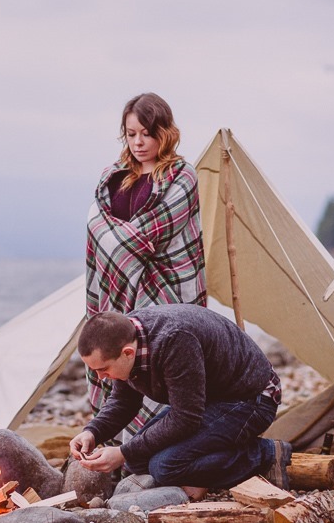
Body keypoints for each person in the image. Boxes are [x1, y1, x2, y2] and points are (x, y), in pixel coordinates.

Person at [85, 93, 207, 443]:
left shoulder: (181, 175)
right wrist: (116, 240)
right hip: (116, 293)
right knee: (117, 366)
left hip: (166, 287)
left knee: (159, 364)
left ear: (164, 133)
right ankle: (117, 453)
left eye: (146, 133)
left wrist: (115, 239)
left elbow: (154, 231)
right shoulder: (113, 176)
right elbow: (94, 226)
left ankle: (156, 449)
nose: (138, 142)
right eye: (130, 133)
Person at [69, 304, 291, 493]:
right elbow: (124, 401)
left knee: (165, 467)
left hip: (251, 399)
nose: (100, 377)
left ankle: (266, 454)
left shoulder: (174, 341)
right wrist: (92, 431)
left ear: (127, 353)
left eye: (104, 369)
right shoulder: (126, 339)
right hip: (207, 400)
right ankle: (208, 467)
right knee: (137, 460)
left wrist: (122, 452)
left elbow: (185, 418)